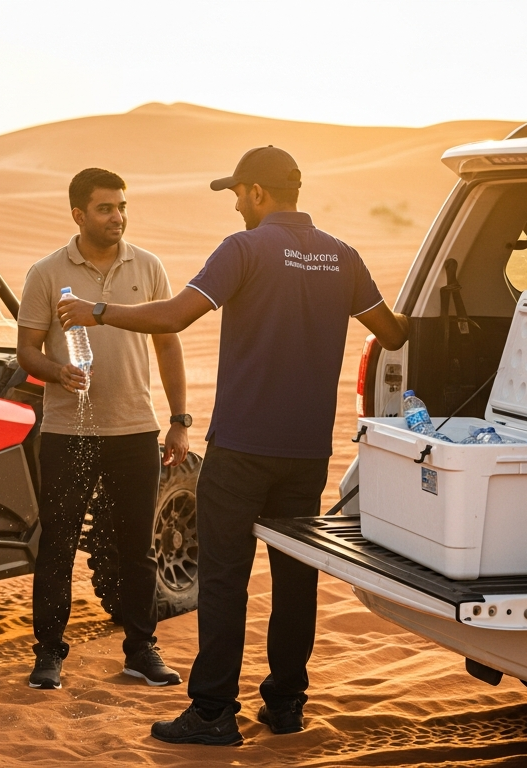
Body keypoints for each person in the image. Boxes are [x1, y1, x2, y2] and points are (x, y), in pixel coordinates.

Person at [57, 147, 410, 744]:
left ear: (259, 193)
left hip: (242, 447)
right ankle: (287, 705)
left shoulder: (243, 248)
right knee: (297, 580)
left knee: (225, 581)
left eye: (239, 193)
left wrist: (96, 310)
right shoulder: (342, 256)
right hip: (306, 453)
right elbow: (395, 332)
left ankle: (215, 712)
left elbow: (172, 317)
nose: (237, 204)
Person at [17, 168, 191, 691]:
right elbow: (27, 349)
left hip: (135, 428)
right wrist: (56, 371)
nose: (117, 216)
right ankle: (48, 653)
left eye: (121, 207)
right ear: (78, 214)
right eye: (104, 208)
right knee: (59, 546)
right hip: (69, 431)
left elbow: (167, 343)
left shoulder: (149, 266)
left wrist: (179, 420)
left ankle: (141, 649)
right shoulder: (46, 272)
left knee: (136, 549)